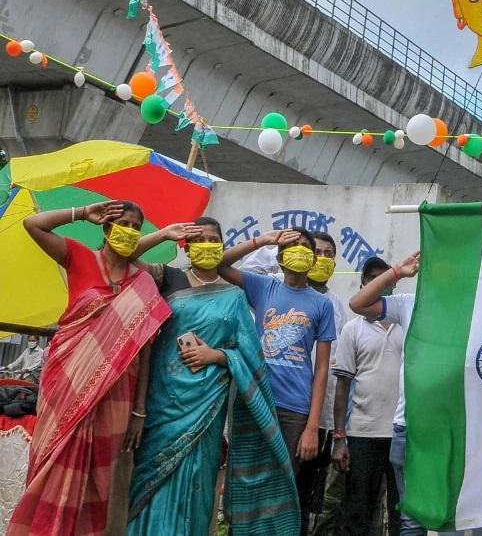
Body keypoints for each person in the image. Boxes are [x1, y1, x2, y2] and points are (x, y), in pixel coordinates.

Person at [124, 218, 301, 535]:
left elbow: (248, 354)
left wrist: (218, 355)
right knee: (150, 481)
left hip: (207, 408)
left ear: (222, 245)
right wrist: (164, 233)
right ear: (187, 246)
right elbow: (122, 257)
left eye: (213, 239)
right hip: (162, 405)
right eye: (200, 239)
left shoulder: (233, 296)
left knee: (199, 483)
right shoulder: (168, 278)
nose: (207, 244)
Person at [10, 201, 171, 536]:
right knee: (52, 461)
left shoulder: (143, 283)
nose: (128, 230)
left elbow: (144, 350)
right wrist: (81, 213)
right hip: (66, 381)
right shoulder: (80, 258)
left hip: (118, 391)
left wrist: (140, 410)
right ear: (107, 228)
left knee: (100, 476)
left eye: (135, 226)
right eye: (122, 223)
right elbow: (33, 225)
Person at [218, 228, 336, 536]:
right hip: (254, 400)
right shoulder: (263, 287)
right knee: (247, 480)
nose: (300, 251)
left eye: (305, 248)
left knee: (282, 487)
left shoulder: (322, 304)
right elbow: (220, 264)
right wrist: (263, 240)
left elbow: (322, 368)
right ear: (281, 258)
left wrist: (312, 427)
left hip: (295, 410)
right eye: (293, 247)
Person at [330, 258, 413, 536]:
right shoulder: (352, 329)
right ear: (365, 284)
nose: (382, 286)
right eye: (376, 279)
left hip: (402, 432)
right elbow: (342, 385)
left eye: (387, 280)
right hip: (363, 433)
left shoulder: (407, 322)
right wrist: (339, 437)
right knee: (358, 510)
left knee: (402, 509)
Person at [347, 252, 425, 535]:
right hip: (399, 428)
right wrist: (396, 272)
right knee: (404, 516)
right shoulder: (409, 304)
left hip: (438, 427)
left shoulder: (466, 305)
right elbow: (357, 303)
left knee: (428, 512)